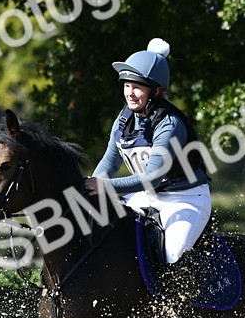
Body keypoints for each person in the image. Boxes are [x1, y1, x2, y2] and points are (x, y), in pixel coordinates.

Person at [83, 38, 212, 266]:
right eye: (126, 86)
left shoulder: (169, 124)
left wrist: (105, 187)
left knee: (173, 255)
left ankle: (180, 301)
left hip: (185, 199)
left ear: (157, 90)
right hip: (145, 197)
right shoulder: (124, 119)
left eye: (137, 87)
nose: (130, 93)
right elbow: (109, 163)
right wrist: (91, 187)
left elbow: (152, 177)